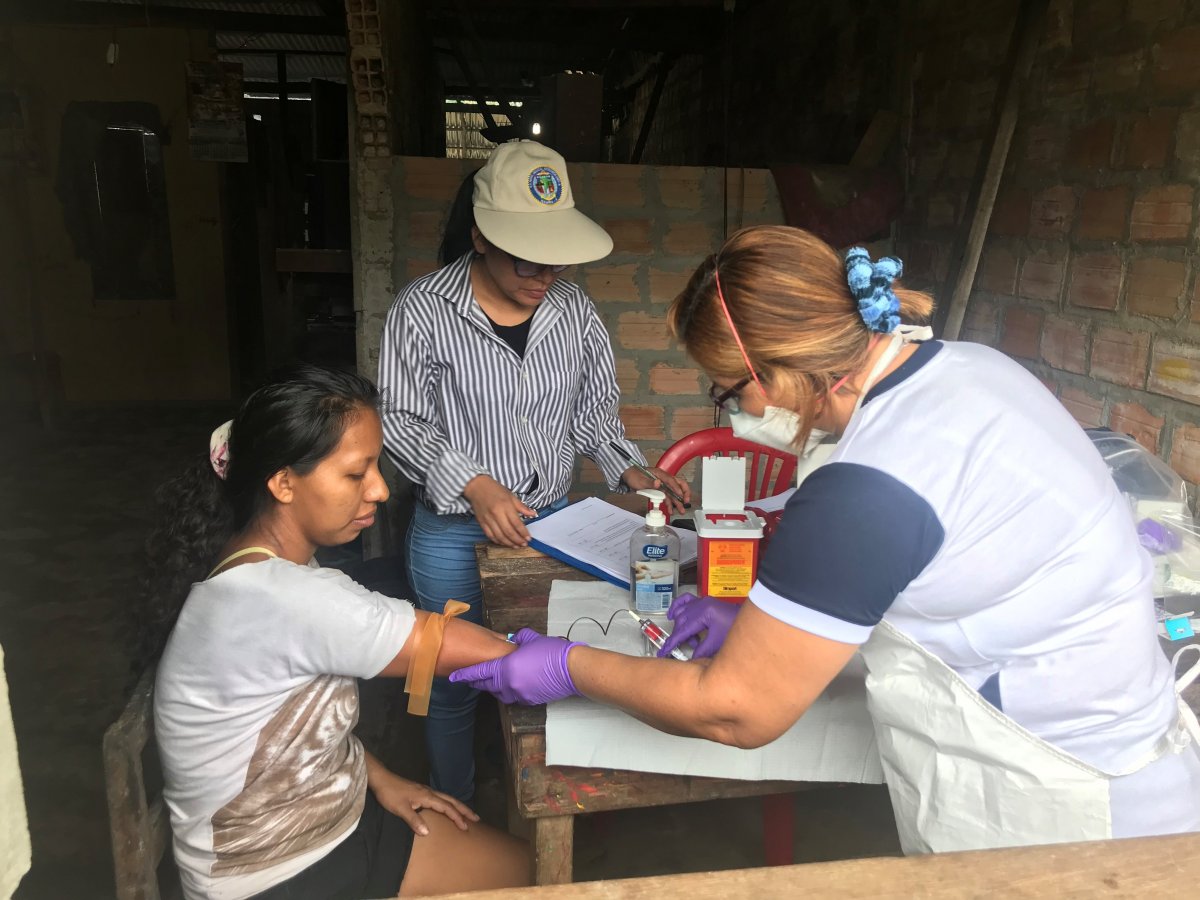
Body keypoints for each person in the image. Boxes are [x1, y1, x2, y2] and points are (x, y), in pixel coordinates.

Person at [451, 225, 1200, 853]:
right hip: (1133, 752)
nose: (733, 412)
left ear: (776, 367)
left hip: (1064, 808)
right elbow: (953, 563)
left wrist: (572, 666)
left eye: (728, 389)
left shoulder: (863, 488)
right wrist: (756, 620)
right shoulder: (976, 368)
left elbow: (736, 709)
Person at [377, 139, 689, 803]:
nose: (544, 272)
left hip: (549, 526)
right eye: (528, 256)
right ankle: (454, 802)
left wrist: (631, 472)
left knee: (537, 663)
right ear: (482, 236)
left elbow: (593, 418)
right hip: (453, 532)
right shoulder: (424, 310)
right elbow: (401, 423)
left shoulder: (573, 312)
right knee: (450, 676)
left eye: (556, 257)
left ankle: (540, 790)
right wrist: (473, 481)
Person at [144, 365, 530, 900]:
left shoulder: (255, 568)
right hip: (273, 872)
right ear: (282, 482)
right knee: (535, 873)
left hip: (317, 821)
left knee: (521, 865)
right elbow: (473, 651)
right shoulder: (283, 596)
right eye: (357, 473)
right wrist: (610, 671)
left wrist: (379, 778)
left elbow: (281, 726)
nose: (379, 489)